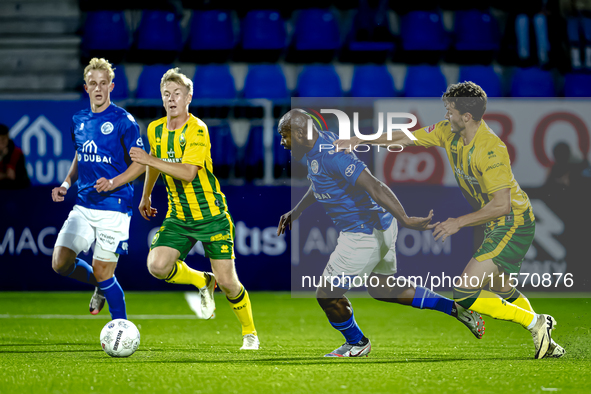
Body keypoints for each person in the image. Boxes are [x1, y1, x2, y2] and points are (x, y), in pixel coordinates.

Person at [335, 81, 564, 359]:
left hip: (513, 223)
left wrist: (459, 222)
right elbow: (405, 137)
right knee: (501, 287)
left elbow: (502, 205)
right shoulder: (447, 132)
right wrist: (361, 140)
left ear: (466, 117)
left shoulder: (490, 149)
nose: (446, 115)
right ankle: (545, 339)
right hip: (496, 223)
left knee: (464, 291)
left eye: (450, 110)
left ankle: (537, 323)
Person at [277, 109, 485, 358]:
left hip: (362, 234)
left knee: (327, 295)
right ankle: (455, 309)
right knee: (382, 288)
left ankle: (357, 342)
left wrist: (405, 218)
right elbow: (319, 180)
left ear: (300, 133)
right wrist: (297, 210)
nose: (282, 142)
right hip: (382, 227)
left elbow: (375, 185)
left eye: (285, 135)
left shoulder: (332, 155)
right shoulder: (322, 143)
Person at [128, 68, 259, 350]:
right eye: (166, 94)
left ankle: (249, 332)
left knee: (229, 284)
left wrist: (150, 158)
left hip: (211, 216)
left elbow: (187, 173)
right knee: (157, 265)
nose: (171, 99)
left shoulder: (197, 129)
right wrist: (146, 194)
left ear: (189, 97)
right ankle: (202, 280)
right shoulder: (155, 129)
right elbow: (155, 164)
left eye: (177, 94)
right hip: (179, 216)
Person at [51, 58, 146, 320]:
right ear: (86, 88)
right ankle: (100, 286)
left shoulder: (123, 120)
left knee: (104, 271)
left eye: (103, 83)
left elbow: (141, 163)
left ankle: (121, 328)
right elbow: (80, 155)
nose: (98, 88)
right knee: (60, 263)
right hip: (84, 204)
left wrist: (113, 182)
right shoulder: (78, 119)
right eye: (93, 83)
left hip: (114, 205)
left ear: (111, 86)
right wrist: (66, 183)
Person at [0, 123, 30, 189]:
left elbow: (24, 180)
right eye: (1, 139)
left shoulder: (16, 153)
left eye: (6, 139)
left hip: (13, 190)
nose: (4, 142)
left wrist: (13, 176)